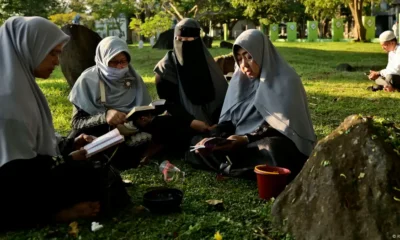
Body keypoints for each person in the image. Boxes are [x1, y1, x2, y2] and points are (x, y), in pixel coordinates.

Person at [0, 16, 111, 230]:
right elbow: (16, 172)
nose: (57, 62)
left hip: (23, 169)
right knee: (85, 176)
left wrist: (67, 145)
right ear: (28, 47)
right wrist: (66, 160)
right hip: (11, 182)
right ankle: (51, 214)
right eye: (52, 53)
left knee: (90, 172)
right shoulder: (7, 101)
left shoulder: (20, 85)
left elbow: (34, 141)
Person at [189, 29, 316, 181]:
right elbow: (232, 120)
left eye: (249, 57)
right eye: (239, 59)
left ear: (262, 54)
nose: (244, 65)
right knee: (196, 142)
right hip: (239, 143)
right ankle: (237, 168)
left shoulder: (287, 80)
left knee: (273, 150)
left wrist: (246, 138)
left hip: (268, 139)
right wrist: (217, 136)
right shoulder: (240, 81)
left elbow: (284, 127)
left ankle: (230, 167)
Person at [68, 36, 153, 170]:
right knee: (81, 136)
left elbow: (143, 108)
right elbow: (77, 122)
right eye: (113, 62)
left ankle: (132, 151)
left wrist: (143, 119)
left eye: (123, 61)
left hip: (130, 130)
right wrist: (105, 116)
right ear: (102, 60)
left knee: (165, 123)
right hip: (100, 132)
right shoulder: (88, 81)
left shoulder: (133, 77)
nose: (120, 67)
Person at [154, 18, 228, 138]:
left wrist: (218, 123)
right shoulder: (166, 69)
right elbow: (169, 103)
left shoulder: (207, 64)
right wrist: (191, 122)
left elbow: (221, 95)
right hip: (183, 121)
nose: (183, 44)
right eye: (179, 40)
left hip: (215, 120)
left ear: (198, 41)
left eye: (188, 40)